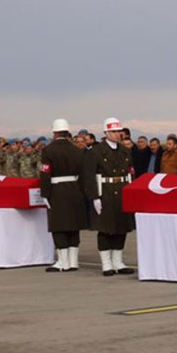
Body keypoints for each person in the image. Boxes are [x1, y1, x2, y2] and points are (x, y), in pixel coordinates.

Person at [81, 117, 136, 276]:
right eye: (113, 131)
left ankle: (118, 261)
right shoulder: (96, 152)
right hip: (104, 190)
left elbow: (131, 172)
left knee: (121, 227)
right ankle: (106, 263)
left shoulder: (125, 151)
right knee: (105, 228)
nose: (117, 134)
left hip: (122, 188)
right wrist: (94, 197)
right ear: (106, 133)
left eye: (119, 131)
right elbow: (89, 176)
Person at [39, 118, 87, 273]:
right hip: (75, 189)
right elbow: (84, 174)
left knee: (58, 225)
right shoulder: (78, 150)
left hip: (57, 190)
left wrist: (45, 193)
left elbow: (45, 173)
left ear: (54, 133)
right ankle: (73, 262)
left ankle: (62, 262)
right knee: (74, 225)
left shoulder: (48, 151)